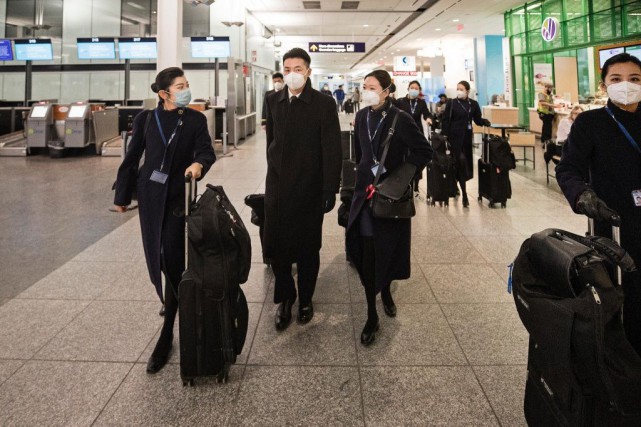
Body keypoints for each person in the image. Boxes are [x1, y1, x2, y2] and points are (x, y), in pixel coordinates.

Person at [113, 67, 216, 373]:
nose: (186, 90)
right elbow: (132, 158)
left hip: (177, 198)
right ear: (164, 93)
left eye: (187, 85)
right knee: (155, 254)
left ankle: (168, 331)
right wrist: (121, 195)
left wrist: (198, 165)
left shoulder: (195, 119)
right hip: (150, 197)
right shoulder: (146, 119)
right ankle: (170, 299)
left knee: (172, 258)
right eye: (180, 86)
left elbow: (206, 152)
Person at [556, 52, 641, 357]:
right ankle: (623, 365)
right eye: (616, 79)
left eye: (635, 79)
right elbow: (568, 169)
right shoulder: (591, 123)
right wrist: (582, 196)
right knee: (623, 298)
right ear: (604, 85)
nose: (626, 86)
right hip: (614, 227)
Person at [345, 70, 432, 346]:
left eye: (372, 87)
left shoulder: (400, 118)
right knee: (367, 251)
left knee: (387, 248)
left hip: (389, 197)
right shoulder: (361, 117)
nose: (367, 91)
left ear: (386, 91)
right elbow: (360, 157)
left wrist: (399, 178)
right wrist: (350, 192)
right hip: (365, 195)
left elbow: (424, 152)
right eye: (364, 86)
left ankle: (386, 292)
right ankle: (371, 314)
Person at [264, 48, 342, 331]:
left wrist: (330, 188)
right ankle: (286, 298)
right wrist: (271, 176)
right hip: (278, 186)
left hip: (310, 187)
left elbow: (332, 148)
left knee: (309, 247)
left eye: (298, 68)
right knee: (278, 246)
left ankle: (306, 299)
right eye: (287, 69)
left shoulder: (323, 103)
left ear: (308, 71)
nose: (292, 74)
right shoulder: (273, 100)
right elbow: (270, 142)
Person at [441, 80, 491, 207]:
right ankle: (464, 194)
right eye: (457, 88)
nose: (459, 91)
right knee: (460, 162)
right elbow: (445, 120)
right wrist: (445, 137)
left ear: (468, 91)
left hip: (467, 139)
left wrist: (484, 121)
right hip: (453, 139)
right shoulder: (452, 103)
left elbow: (477, 119)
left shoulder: (473, 104)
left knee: (463, 165)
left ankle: (458, 185)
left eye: (461, 89)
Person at [537, 82, 556, 146]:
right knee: (547, 127)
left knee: (546, 126)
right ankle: (547, 140)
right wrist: (553, 105)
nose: (551, 90)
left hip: (549, 113)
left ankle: (544, 139)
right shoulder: (541, 94)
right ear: (546, 87)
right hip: (544, 113)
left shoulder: (549, 95)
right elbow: (542, 102)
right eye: (550, 89)